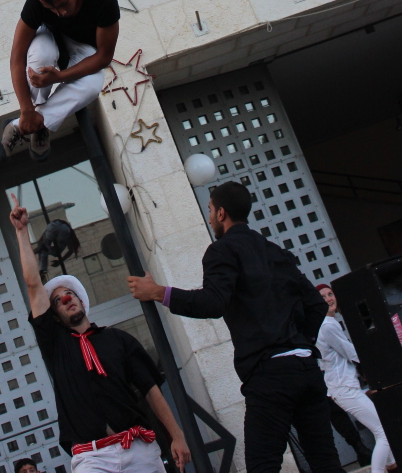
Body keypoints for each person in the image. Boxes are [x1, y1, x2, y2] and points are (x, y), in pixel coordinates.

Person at [128, 181, 344, 473]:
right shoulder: (275, 251)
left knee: (261, 466)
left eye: (210, 209)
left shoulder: (222, 251)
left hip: (270, 375)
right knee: (326, 463)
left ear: (221, 213)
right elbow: (317, 305)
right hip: (305, 368)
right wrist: (297, 342)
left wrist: (158, 292)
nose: (208, 216)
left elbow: (213, 303)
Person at [10, 197, 190, 473]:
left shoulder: (118, 340)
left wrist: (177, 435)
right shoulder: (55, 344)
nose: (66, 299)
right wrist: (22, 232)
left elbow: (151, 390)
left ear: (82, 301)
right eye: (58, 300)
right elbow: (34, 285)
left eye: (70, 294)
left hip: (138, 447)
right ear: (55, 316)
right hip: (91, 459)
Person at [0, 0, 120, 163]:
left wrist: (61, 76)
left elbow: (104, 57)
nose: (60, 13)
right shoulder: (35, 4)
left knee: (92, 85)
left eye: (63, 4)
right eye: (51, 9)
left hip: (85, 45)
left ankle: (25, 125)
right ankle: (34, 118)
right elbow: (17, 58)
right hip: (50, 35)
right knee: (39, 59)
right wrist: (26, 108)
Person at [316, 284, 395, 473]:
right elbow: (351, 353)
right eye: (323, 297)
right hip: (344, 388)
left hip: (346, 387)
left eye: (330, 294)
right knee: (384, 430)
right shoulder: (327, 326)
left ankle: (391, 464)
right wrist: (377, 363)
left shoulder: (328, 324)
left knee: (382, 428)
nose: (329, 299)